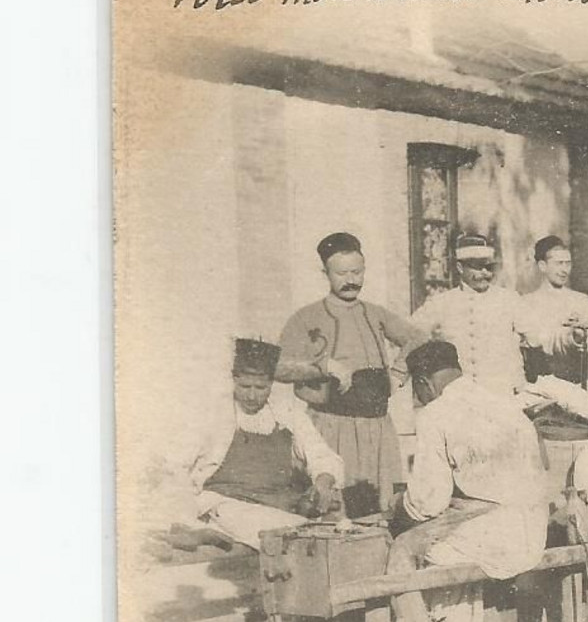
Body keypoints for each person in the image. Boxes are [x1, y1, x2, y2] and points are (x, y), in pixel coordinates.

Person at [386, 341, 555, 622]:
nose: (419, 399)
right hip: (533, 529)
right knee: (452, 542)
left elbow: (426, 503)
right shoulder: (503, 403)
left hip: (498, 539)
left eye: (417, 392)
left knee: (407, 549)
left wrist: (398, 507)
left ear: (424, 383)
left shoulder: (436, 414)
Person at [276, 232, 426, 515]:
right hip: (332, 427)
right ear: (326, 273)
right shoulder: (306, 317)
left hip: (379, 429)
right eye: (341, 273)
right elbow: (277, 366)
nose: (351, 280)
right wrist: (321, 366)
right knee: (336, 512)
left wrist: (398, 372)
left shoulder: (375, 313)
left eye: (357, 272)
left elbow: (418, 338)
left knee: (381, 510)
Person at [186, 338, 345, 549]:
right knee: (281, 537)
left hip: (277, 506)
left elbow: (321, 455)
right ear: (234, 380)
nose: (251, 395)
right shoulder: (213, 415)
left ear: (271, 383)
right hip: (226, 506)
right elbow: (178, 466)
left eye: (260, 387)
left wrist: (323, 481)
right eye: (244, 386)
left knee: (318, 533)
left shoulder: (287, 414)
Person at [410, 233, 530, 395]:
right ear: (460, 268)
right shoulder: (443, 302)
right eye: (478, 267)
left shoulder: (509, 299)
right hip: (460, 396)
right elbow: (409, 332)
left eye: (488, 267)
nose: (485, 273)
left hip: (501, 394)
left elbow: (539, 336)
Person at [521, 235, 588, 385]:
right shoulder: (526, 303)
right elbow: (532, 343)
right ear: (543, 266)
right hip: (539, 385)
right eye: (559, 264)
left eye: (568, 264)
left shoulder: (581, 300)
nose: (564, 270)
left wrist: (585, 339)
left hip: (577, 383)